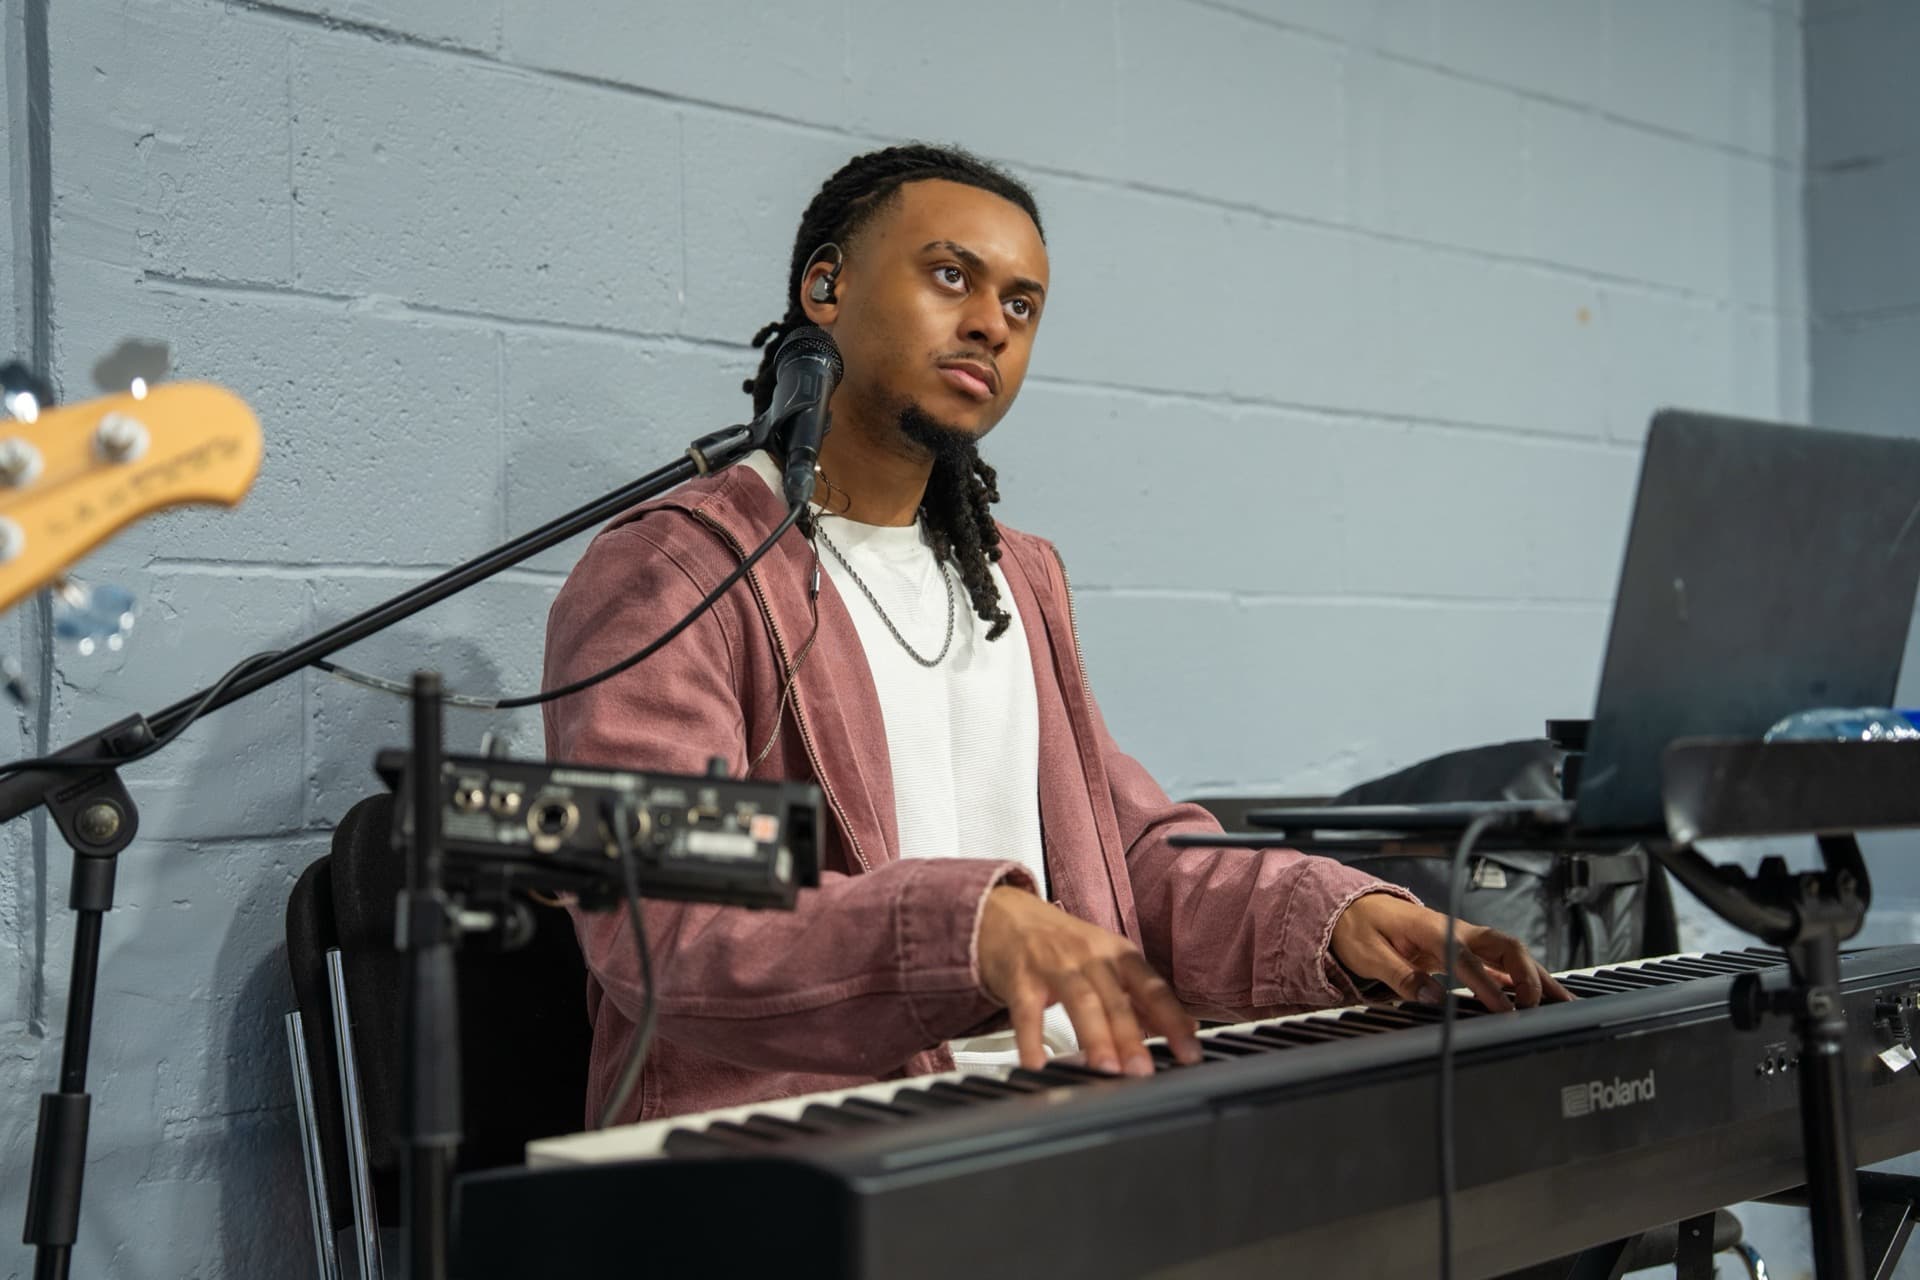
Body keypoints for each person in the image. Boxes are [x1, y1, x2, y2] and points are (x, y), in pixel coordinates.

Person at [543, 143, 1568, 1126]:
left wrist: (1339, 915)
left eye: (1020, 303)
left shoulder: (1011, 579)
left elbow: (1130, 865)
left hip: (1056, 1113)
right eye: (952, 275)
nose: (990, 323)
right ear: (826, 288)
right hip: (794, 1149)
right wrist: (974, 928)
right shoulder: (674, 571)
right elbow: (667, 919)